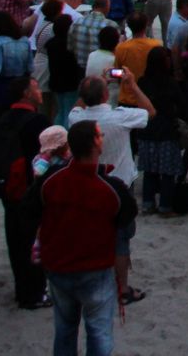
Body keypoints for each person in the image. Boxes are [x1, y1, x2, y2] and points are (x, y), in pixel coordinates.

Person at [25, 119, 137, 356]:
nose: (103, 138)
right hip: (94, 269)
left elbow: (29, 209)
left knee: (65, 329)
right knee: (98, 332)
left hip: (58, 266)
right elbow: (126, 217)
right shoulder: (109, 187)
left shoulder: (52, 180)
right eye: (100, 135)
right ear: (95, 143)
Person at [67, 71, 154, 305]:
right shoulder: (120, 117)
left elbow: (76, 107)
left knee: (92, 232)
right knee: (121, 238)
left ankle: (97, 280)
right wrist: (132, 85)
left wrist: (93, 86)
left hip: (90, 181)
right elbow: (149, 111)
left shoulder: (77, 118)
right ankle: (122, 288)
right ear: (106, 95)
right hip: (119, 183)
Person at [0, 75, 52, 309]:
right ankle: (34, 293)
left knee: (15, 239)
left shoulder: (4, 118)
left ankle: (22, 288)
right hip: (29, 187)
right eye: (35, 88)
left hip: (8, 186)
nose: (39, 92)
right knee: (32, 242)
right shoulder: (37, 121)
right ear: (26, 94)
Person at [132, 46, 185, 216]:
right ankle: (165, 206)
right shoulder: (170, 83)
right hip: (166, 131)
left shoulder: (142, 81)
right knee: (167, 171)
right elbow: (181, 104)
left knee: (149, 170)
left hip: (146, 130)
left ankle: (148, 204)